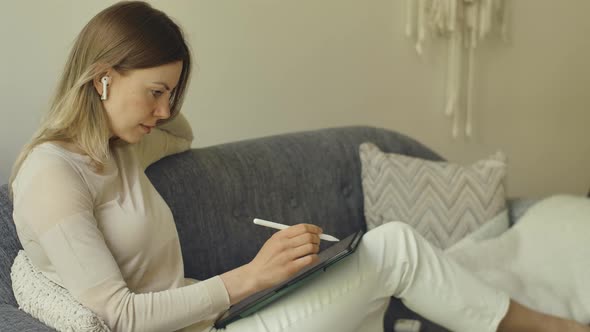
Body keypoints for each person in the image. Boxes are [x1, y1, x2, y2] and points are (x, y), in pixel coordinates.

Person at [8, 2, 590, 332]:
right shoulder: (52, 175)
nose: (165, 112)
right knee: (397, 250)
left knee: (370, 269)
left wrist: (150, 110)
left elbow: (182, 136)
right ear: (103, 75)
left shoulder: (122, 148)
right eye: (156, 92)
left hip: (215, 323)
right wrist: (254, 277)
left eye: (174, 94)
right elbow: (120, 318)